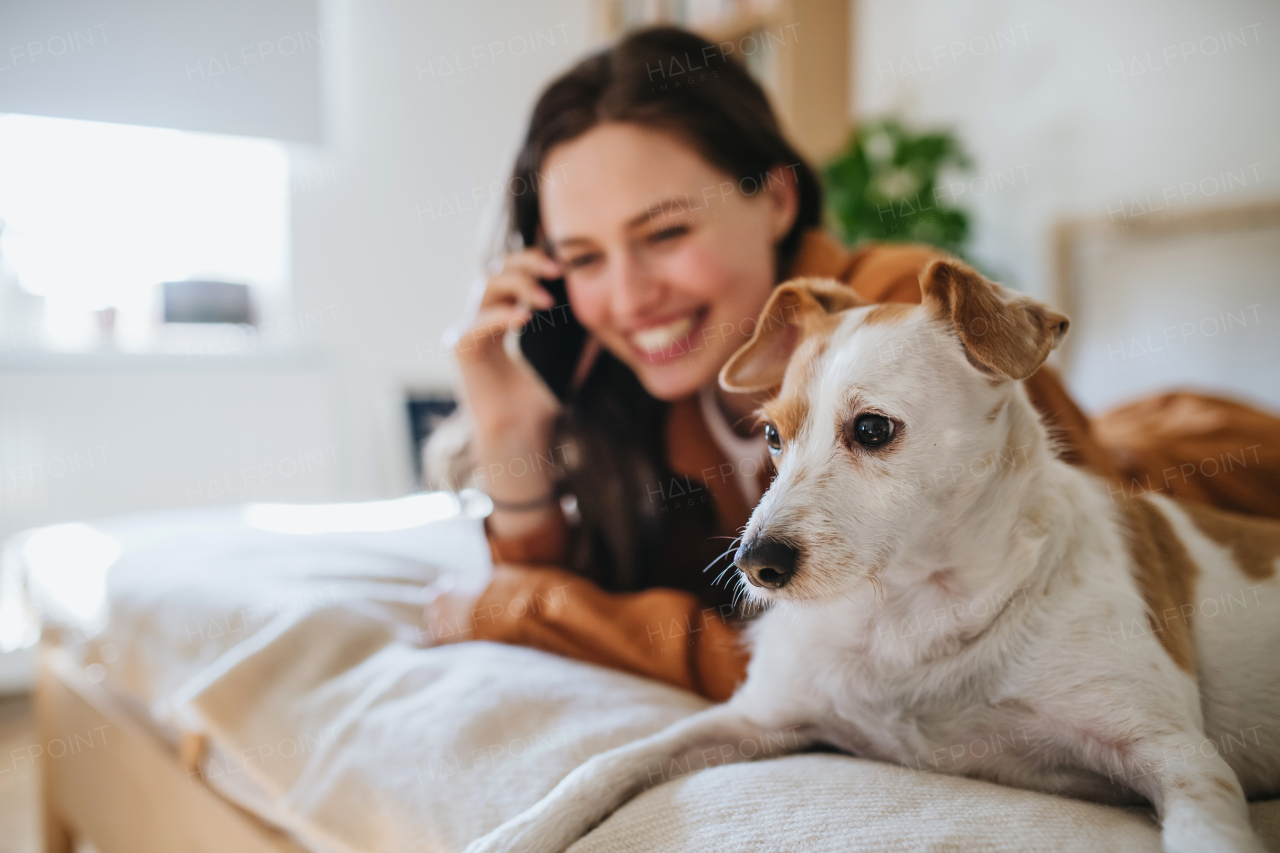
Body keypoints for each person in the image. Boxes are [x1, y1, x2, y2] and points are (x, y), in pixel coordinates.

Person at [424, 27, 1280, 701]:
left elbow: (873, 670)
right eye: (582, 259)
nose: (628, 296)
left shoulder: (911, 315)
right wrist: (508, 430)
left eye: (666, 232)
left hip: (1214, 488)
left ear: (778, 198)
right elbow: (650, 600)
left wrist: (528, 612)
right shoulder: (674, 401)